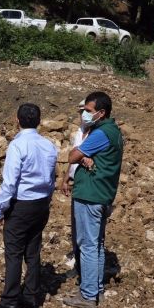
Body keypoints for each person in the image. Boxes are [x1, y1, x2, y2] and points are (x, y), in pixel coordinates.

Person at [0, 103, 58, 308]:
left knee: (14, 253)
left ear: (17, 120)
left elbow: (9, 183)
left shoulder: (17, 146)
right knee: (33, 252)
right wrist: (46, 200)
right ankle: (32, 297)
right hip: (41, 204)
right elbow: (51, 178)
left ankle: (9, 301)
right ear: (39, 121)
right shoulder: (49, 145)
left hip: (21, 205)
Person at [63, 91, 123, 308]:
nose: (85, 115)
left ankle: (88, 296)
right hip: (103, 194)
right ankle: (95, 289)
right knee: (96, 244)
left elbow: (72, 156)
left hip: (90, 195)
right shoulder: (113, 131)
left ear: (101, 112)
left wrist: (82, 155)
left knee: (88, 245)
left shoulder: (100, 134)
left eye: (88, 111)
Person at [59, 100, 90, 282]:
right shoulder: (80, 132)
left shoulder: (94, 134)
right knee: (76, 227)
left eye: (85, 111)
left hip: (87, 187)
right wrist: (66, 179)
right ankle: (79, 264)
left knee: (86, 230)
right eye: (80, 111)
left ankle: (86, 270)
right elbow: (73, 158)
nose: (82, 115)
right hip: (76, 183)